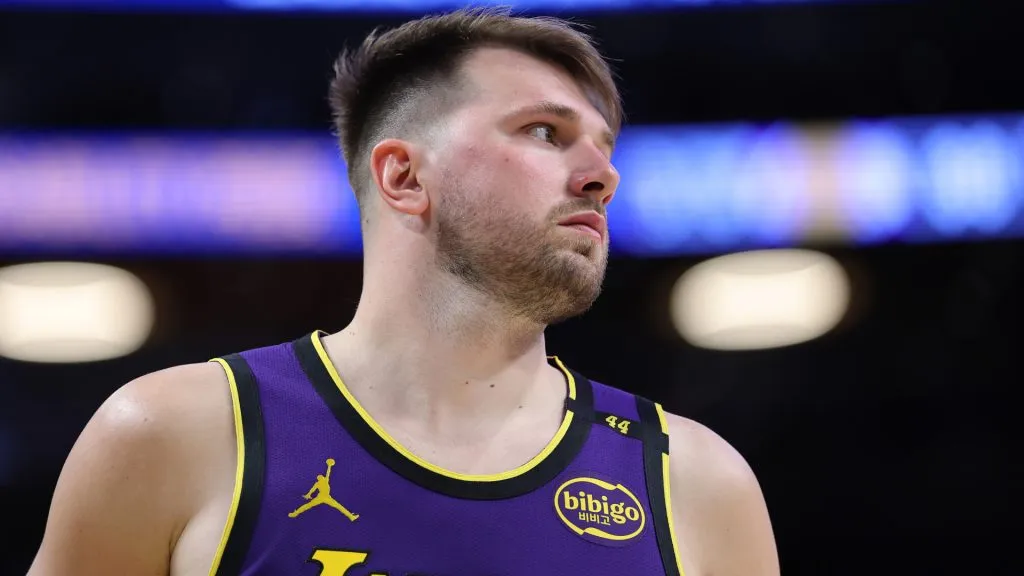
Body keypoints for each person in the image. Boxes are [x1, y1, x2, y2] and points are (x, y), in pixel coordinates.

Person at [27, 7, 779, 576]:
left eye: (604, 148)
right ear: (404, 176)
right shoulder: (172, 434)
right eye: (544, 132)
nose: (601, 175)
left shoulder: (697, 482)